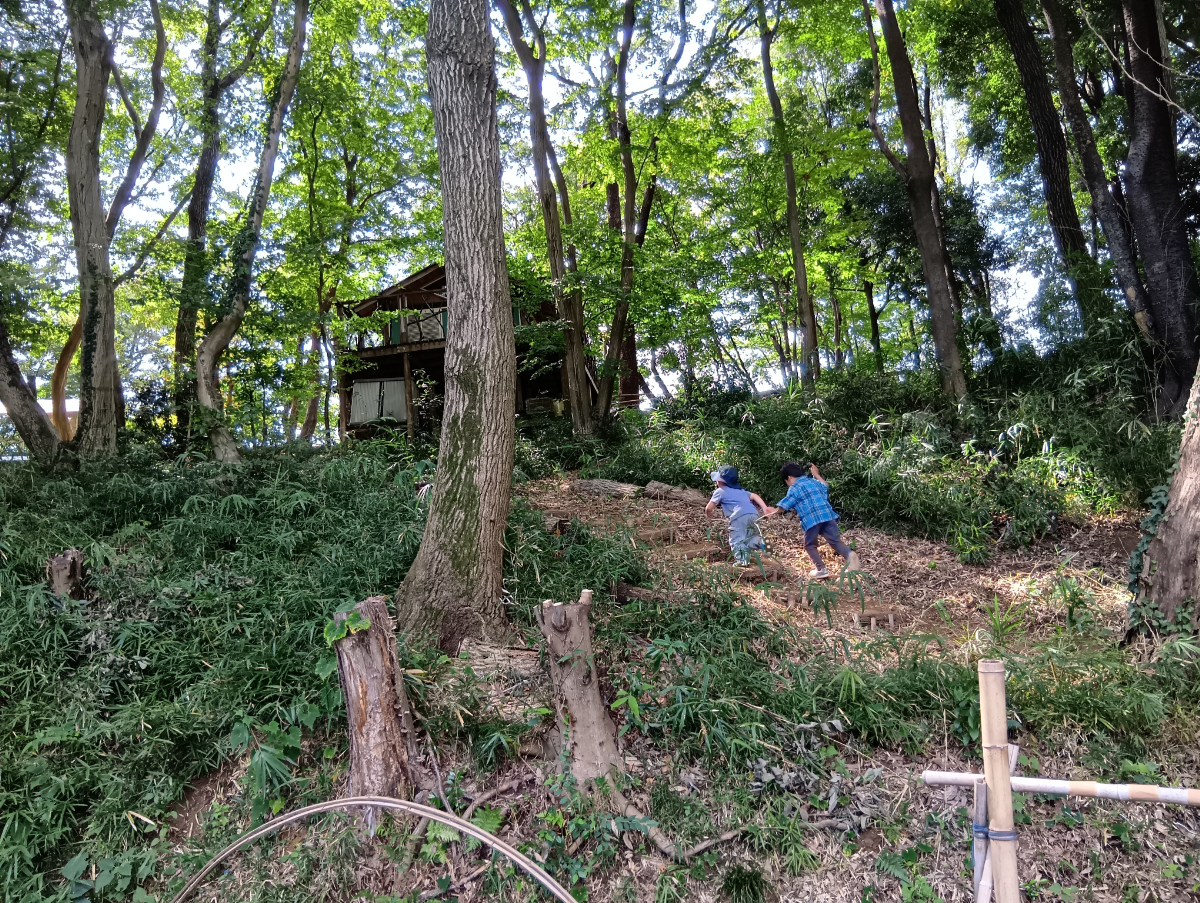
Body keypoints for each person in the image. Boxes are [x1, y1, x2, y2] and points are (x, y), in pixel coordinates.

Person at [764, 461, 861, 579]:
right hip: (827, 516)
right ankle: (850, 555)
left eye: (786, 482)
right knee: (835, 541)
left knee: (809, 544)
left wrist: (774, 510)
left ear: (789, 477)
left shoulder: (795, 488)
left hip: (812, 519)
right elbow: (825, 485)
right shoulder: (813, 481)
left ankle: (821, 569)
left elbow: (785, 505)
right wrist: (816, 474)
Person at [704, 465, 771, 564]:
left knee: (737, 540)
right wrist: (765, 508)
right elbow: (755, 496)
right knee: (749, 538)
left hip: (739, 516)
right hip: (754, 514)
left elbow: (708, 508)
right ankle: (762, 542)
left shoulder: (720, 491)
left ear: (721, 481)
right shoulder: (741, 491)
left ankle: (742, 561)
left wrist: (709, 514)